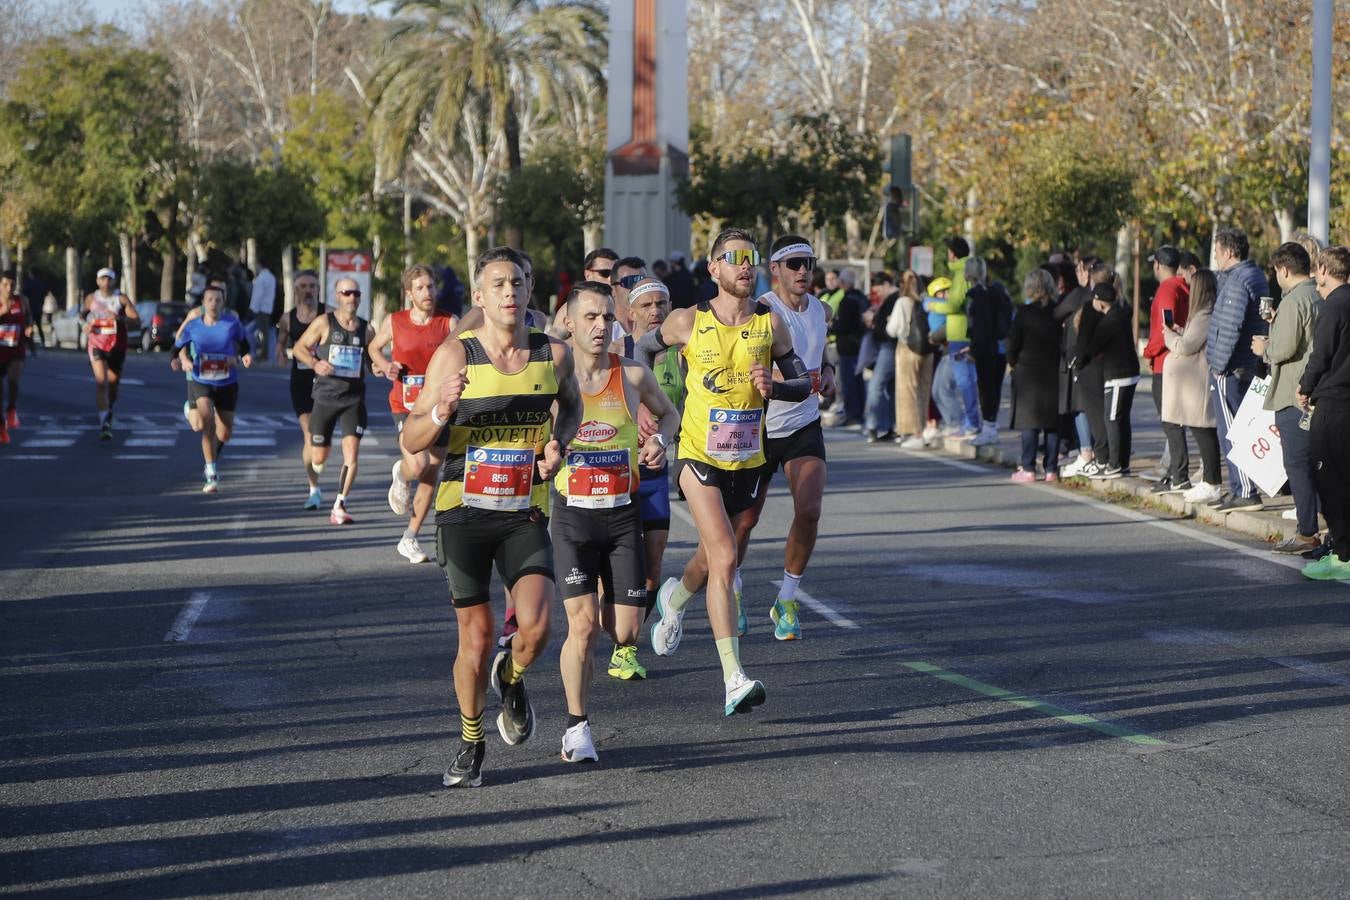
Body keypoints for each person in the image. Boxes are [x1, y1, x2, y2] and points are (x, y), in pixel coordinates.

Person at [401, 246, 581, 787]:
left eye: (518, 283)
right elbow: (410, 438)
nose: (509, 292)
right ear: (480, 297)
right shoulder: (456, 356)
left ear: (530, 294)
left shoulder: (555, 354)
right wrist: (440, 412)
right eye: (497, 284)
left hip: (523, 510)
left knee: (538, 627)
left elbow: (570, 406)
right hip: (461, 514)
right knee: (474, 639)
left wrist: (558, 445)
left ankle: (513, 673)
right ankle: (471, 742)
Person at [636, 228, 814, 715]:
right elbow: (641, 352)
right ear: (713, 268)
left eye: (751, 258)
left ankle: (674, 600)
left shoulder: (770, 324)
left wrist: (775, 387)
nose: (745, 265)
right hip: (697, 455)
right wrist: (643, 405)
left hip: (748, 460)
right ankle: (734, 677)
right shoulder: (687, 321)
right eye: (733, 257)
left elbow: (802, 384)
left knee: (714, 559)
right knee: (725, 556)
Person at [552, 281, 677, 759]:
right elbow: (534, 434)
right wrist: (545, 454)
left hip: (623, 516)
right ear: (569, 322)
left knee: (624, 632)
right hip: (573, 520)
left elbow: (669, 416)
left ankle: (607, 594)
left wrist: (658, 442)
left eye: (607, 317)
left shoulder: (631, 375)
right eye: (590, 317)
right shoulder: (553, 379)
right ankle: (576, 727)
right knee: (580, 628)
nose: (600, 326)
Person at [736, 235, 834, 640]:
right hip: (759, 427)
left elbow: (820, 353)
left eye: (808, 263)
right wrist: (775, 379)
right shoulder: (761, 312)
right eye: (793, 264)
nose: (803, 272)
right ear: (773, 270)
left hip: (803, 424)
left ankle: (787, 599)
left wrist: (828, 371)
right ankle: (733, 591)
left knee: (809, 510)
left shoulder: (821, 310)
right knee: (744, 521)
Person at [369, 264, 457, 563]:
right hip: (404, 405)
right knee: (417, 464)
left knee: (432, 471)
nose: (427, 292)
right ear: (409, 293)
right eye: (420, 288)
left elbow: (464, 354)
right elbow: (374, 348)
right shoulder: (395, 322)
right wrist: (385, 364)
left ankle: (410, 537)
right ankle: (401, 473)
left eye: (430, 286)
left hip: (441, 406)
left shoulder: (448, 323)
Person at [626, 276, 682, 675]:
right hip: (613, 474)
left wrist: (664, 440)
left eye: (661, 304)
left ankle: (626, 644)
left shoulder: (681, 355)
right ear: (630, 314)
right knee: (611, 569)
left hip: (657, 469)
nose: (655, 312)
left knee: (651, 569)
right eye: (646, 305)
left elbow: (685, 411)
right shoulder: (612, 351)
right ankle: (619, 640)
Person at [1253, 242, 1322, 554]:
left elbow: (1283, 349)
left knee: (1297, 465)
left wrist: (1263, 348)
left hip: (1294, 394)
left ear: (1284, 269)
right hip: (1317, 392)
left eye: (1275, 270)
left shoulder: (1294, 300)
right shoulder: (1319, 294)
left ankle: (1308, 531)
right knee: (1317, 465)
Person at [293, 277, 374, 526]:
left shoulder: (366, 328)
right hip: (326, 397)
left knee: (352, 453)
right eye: (347, 293)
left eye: (356, 294)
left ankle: (340, 504)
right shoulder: (324, 322)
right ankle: (315, 477)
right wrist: (316, 363)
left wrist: (381, 368)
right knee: (319, 456)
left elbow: (372, 359)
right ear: (337, 296)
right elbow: (299, 348)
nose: (352, 298)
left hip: (354, 398)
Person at [1206, 227, 1270, 511]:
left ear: (1229, 252)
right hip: (1247, 362)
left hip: (1231, 366)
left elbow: (1230, 326)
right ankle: (1243, 487)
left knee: (1230, 429)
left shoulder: (1235, 282)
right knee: (1240, 426)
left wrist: (1218, 366)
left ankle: (1244, 490)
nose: (1216, 257)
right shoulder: (1254, 275)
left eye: (1217, 251)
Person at [1298, 246, 1350, 580]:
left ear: (1324, 270)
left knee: (1331, 483)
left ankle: (1344, 556)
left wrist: (1304, 387)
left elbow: (1321, 354)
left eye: (1318, 274)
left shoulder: (1334, 307)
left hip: (1332, 404)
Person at [172, 284, 252, 492]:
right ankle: (211, 472)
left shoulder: (231, 323)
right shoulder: (193, 324)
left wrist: (244, 357)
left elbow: (244, 344)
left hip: (226, 380)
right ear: (203, 303)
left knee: (224, 433)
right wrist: (180, 361)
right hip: (201, 379)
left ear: (223, 302)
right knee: (205, 423)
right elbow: (177, 346)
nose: (213, 303)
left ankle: (211, 456)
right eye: (210, 300)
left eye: (218, 300)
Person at [1160, 269, 1223, 504]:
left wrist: (1169, 337)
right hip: (1194, 381)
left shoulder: (1204, 312)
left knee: (1203, 431)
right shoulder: (1202, 313)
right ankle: (1209, 480)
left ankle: (1212, 482)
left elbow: (1187, 346)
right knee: (1201, 430)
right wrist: (1179, 332)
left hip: (1197, 381)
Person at [1075, 282, 1139, 478]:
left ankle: (1114, 464)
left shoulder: (1107, 322)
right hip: (1131, 372)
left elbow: (1090, 348)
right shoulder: (1122, 314)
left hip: (1117, 375)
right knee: (1123, 419)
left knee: (1111, 419)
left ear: (1100, 302)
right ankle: (1124, 462)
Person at [1141, 246, 1191, 486]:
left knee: (1170, 422)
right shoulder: (1184, 287)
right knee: (1174, 422)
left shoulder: (1167, 289)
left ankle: (1178, 476)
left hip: (1165, 364)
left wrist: (1148, 352)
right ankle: (1176, 473)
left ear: (1158, 265)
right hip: (1178, 361)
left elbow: (1165, 328)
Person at [1007, 269, 1062, 482]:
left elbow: (1013, 342)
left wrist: (1012, 361)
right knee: (1051, 422)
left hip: (1027, 371)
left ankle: (1028, 467)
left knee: (1029, 421)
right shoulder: (1058, 312)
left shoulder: (1024, 312)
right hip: (1053, 371)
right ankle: (1051, 469)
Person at [275, 270, 324, 508]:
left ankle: (317, 469)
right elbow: (282, 341)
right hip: (301, 381)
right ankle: (314, 488)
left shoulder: (329, 315)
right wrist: (280, 353)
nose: (308, 290)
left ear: (318, 289)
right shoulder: (288, 318)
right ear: (296, 290)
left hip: (330, 383)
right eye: (303, 286)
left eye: (312, 286)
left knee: (320, 438)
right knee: (309, 433)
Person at [82, 268, 139, 441]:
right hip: (97, 344)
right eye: (102, 279)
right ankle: (104, 422)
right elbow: (83, 316)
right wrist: (86, 325)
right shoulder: (91, 298)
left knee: (113, 383)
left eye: (109, 279)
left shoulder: (120, 298)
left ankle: (110, 408)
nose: (106, 282)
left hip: (117, 346)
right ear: (98, 281)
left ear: (113, 281)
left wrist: (120, 319)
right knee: (101, 382)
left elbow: (137, 320)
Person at [965, 257, 1012, 447]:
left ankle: (988, 428)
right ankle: (991, 427)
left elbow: (977, 327)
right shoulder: (999, 291)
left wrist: (974, 350)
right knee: (995, 388)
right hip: (1000, 347)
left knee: (985, 389)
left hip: (985, 348)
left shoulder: (975, 295)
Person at [889, 271, 935, 448]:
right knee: (924, 390)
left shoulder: (902, 302)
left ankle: (914, 433)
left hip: (908, 349)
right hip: (928, 350)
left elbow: (892, 329)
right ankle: (923, 431)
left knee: (908, 392)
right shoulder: (926, 301)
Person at [863, 271, 900, 442]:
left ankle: (872, 425)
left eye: (878, 290)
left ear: (886, 284)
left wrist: (875, 321)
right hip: (888, 347)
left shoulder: (895, 299)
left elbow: (890, 327)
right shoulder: (890, 300)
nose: (877, 294)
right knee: (891, 389)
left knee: (875, 386)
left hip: (889, 348)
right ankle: (889, 425)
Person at [831, 269, 867, 427]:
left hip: (847, 347)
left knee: (848, 383)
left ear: (843, 283)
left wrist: (832, 326)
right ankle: (859, 413)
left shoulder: (847, 301)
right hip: (861, 346)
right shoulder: (861, 298)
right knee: (858, 382)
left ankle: (852, 415)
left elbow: (843, 325)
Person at [0, 271, 31, 443]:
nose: (9, 288)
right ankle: (1, 427)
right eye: (5, 284)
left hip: (16, 349)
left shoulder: (22, 301)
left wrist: (29, 328)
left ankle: (11, 409)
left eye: (12, 284)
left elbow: (29, 319)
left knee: (13, 379)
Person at [247, 259, 278, 359]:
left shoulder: (261, 278)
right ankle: (267, 354)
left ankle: (261, 353)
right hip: (268, 308)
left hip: (261, 309)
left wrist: (253, 309)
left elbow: (257, 295)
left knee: (259, 332)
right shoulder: (271, 277)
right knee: (267, 333)